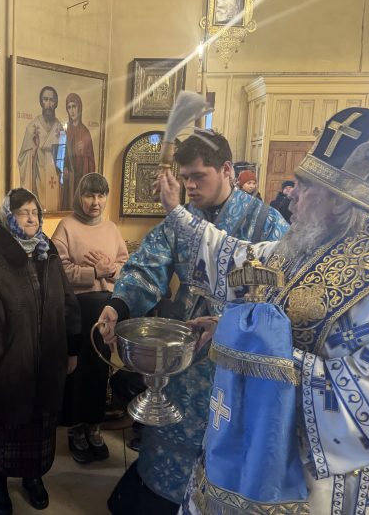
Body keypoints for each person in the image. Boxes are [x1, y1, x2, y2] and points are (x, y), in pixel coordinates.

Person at [108, 107, 369, 514]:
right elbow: (236, 259)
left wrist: (241, 341)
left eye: (305, 185)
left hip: (315, 475)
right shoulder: (307, 248)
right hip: (228, 399)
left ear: (339, 201)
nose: (290, 191)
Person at [101, 130, 289, 514]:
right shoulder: (181, 220)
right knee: (168, 428)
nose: (189, 186)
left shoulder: (266, 223)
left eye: (198, 176)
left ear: (226, 170)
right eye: (184, 177)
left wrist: (229, 321)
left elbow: (281, 296)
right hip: (182, 346)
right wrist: (118, 305)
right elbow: (147, 266)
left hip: (235, 354)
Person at [0, 188, 81, 515]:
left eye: (35, 213)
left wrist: (72, 346)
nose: (31, 219)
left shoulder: (47, 253)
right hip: (2, 372)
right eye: (23, 213)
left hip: (45, 368)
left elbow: (67, 302)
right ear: (7, 217)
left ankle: (32, 479)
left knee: (38, 430)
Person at [51, 173, 128, 463]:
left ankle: (94, 425)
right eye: (89, 195)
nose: (95, 202)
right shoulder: (66, 227)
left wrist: (111, 270)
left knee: (99, 371)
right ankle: (75, 430)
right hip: (76, 311)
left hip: (105, 310)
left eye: (100, 195)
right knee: (77, 371)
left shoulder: (111, 228)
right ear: (79, 197)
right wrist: (94, 272)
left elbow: (125, 264)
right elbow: (57, 270)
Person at [18, 86, 64, 212]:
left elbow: (64, 156)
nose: (48, 104)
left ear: (56, 103)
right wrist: (33, 151)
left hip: (54, 176)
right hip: (39, 173)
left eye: (52, 100)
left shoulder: (59, 127)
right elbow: (23, 157)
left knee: (54, 207)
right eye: (45, 99)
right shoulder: (33, 126)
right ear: (41, 102)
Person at [60, 93, 96, 211]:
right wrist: (63, 167)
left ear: (79, 107)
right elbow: (60, 153)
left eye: (74, 106)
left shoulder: (85, 132)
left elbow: (91, 161)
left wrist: (84, 151)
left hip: (80, 176)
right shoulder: (65, 131)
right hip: (67, 177)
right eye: (69, 107)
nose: (72, 111)